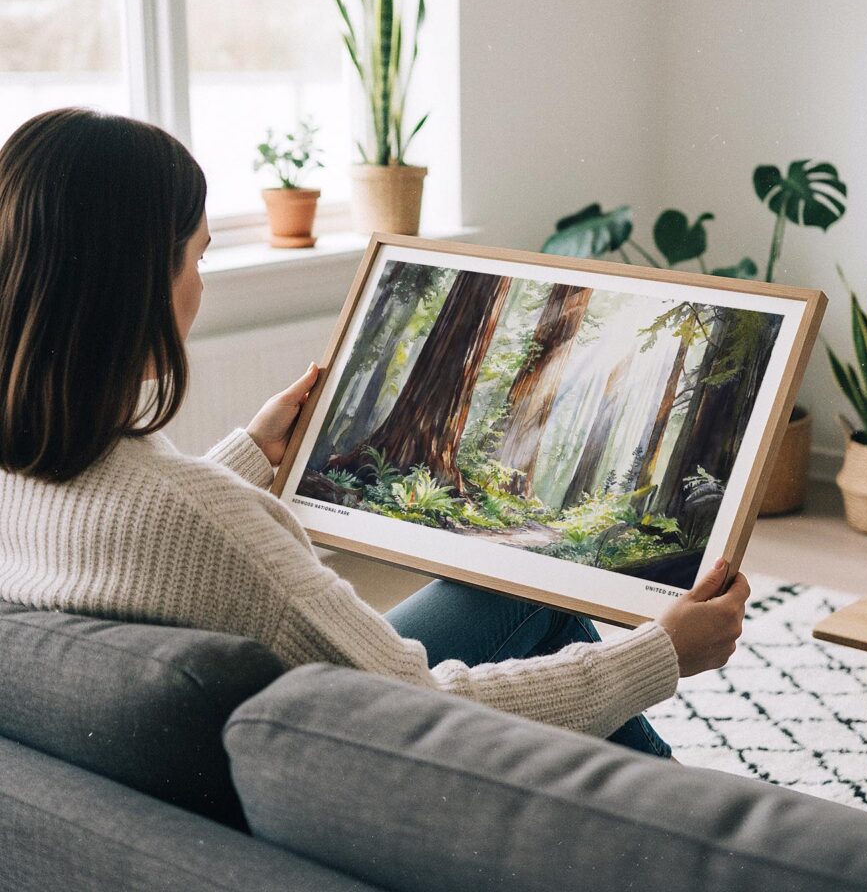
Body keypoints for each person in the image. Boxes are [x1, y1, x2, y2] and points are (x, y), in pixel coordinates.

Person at [0, 108, 749, 758]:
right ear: (135, 286)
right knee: (545, 612)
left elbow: (139, 529)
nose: (203, 283)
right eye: (198, 257)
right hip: (362, 752)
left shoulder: (28, 472)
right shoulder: (206, 522)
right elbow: (418, 709)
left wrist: (250, 456)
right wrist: (660, 653)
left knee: (508, 592)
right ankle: (694, 829)